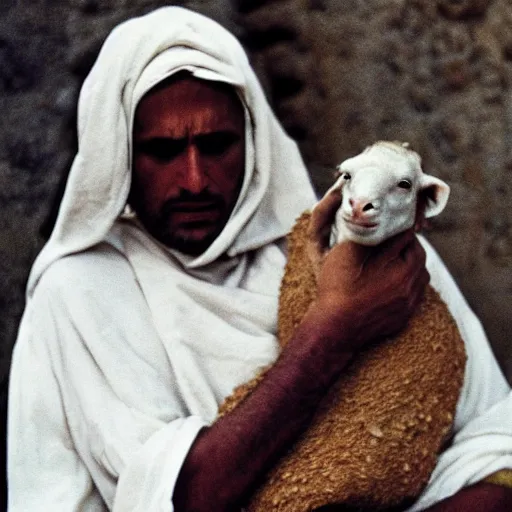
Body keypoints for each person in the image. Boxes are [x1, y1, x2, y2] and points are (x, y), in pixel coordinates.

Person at [7, 6, 512, 512]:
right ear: (121, 158)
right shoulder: (83, 291)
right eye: (163, 151)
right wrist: (334, 329)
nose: (194, 180)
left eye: (217, 144)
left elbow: (496, 439)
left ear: (252, 141)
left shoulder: (368, 253)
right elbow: (185, 499)